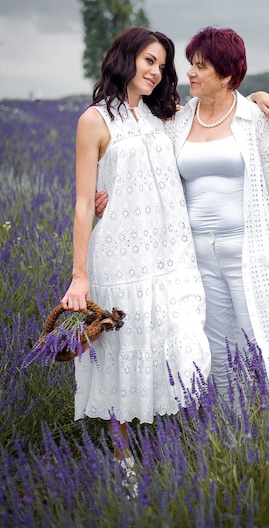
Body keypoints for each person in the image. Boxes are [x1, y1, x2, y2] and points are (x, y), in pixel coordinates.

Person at [60, 26, 212, 491]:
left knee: (184, 345)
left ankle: (186, 452)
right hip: (121, 260)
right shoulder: (94, 121)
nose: (156, 72)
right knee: (120, 356)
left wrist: (263, 96)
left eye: (162, 66)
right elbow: (85, 203)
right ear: (126, 59)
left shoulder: (163, 117)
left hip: (171, 258)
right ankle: (127, 469)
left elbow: (222, 110)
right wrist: (79, 278)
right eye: (149, 61)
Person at [165, 26, 269, 406]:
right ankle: (232, 429)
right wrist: (107, 192)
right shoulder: (177, 119)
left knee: (267, 339)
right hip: (196, 256)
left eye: (201, 66)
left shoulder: (254, 118)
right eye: (190, 65)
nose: (190, 73)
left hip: (249, 252)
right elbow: (140, 155)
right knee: (217, 347)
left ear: (226, 75)